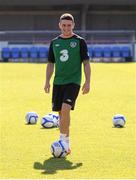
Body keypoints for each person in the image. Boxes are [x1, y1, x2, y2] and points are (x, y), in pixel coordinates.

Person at [44, 13, 91, 155]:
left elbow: (86, 63)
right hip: (58, 82)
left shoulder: (79, 41)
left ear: (73, 25)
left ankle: (62, 141)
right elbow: (50, 64)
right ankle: (66, 143)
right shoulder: (54, 42)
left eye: (69, 25)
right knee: (61, 115)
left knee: (65, 109)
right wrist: (47, 81)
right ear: (59, 25)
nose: (66, 28)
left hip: (73, 82)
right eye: (63, 25)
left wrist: (87, 81)